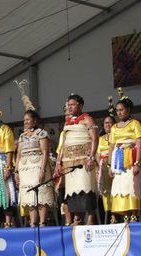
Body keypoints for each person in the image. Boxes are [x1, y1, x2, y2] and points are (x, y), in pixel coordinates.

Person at [54, 94, 98, 225]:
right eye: (69, 105)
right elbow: (64, 145)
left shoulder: (88, 119)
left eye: (73, 104)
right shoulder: (67, 123)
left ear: (80, 105)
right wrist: (58, 163)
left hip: (84, 161)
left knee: (86, 190)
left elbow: (95, 139)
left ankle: (89, 221)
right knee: (72, 192)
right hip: (69, 162)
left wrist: (91, 157)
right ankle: (77, 220)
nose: (70, 107)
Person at [15, 110, 54, 227]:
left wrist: (43, 170)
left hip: (38, 166)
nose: (25, 122)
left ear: (35, 120)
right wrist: (16, 171)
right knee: (30, 196)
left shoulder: (41, 134)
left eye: (28, 119)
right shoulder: (22, 136)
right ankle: (33, 222)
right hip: (25, 168)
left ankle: (42, 222)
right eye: (24, 120)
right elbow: (18, 155)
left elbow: (45, 152)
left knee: (41, 193)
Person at [108, 88, 141, 223]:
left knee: (131, 185)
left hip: (131, 158)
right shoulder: (114, 128)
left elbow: (139, 143)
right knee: (120, 186)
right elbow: (111, 146)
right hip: (118, 161)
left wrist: (137, 162)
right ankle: (124, 214)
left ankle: (134, 213)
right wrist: (110, 165)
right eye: (117, 110)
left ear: (128, 110)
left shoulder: (135, 124)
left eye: (121, 110)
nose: (119, 112)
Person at [96, 98, 115, 223]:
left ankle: (115, 215)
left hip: (114, 165)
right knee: (104, 193)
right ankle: (106, 217)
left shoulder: (117, 137)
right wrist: (98, 167)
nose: (108, 125)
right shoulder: (101, 139)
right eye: (105, 123)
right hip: (103, 167)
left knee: (115, 191)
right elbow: (97, 154)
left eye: (110, 123)